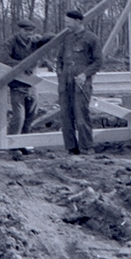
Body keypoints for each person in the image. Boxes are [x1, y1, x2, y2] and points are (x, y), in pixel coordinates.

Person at [53, 9, 101, 155]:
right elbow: (59, 59)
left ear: (78, 21)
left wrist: (85, 74)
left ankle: (87, 147)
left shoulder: (91, 39)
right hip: (65, 81)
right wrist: (60, 74)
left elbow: (98, 62)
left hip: (81, 83)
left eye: (68, 21)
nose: (66, 24)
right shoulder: (66, 39)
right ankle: (71, 148)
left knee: (81, 115)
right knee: (65, 116)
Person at [4, 18, 54, 135]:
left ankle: (25, 140)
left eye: (31, 31)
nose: (29, 33)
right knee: (19, 118)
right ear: (20, 30)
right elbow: (4, 59)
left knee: (31, 116)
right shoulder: (11, 42)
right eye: (26, 30)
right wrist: (22, 66)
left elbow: (53, 38)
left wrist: (42, 37)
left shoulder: (35, 42)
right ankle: (13, 142)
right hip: (17, 85)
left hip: (32, 85)